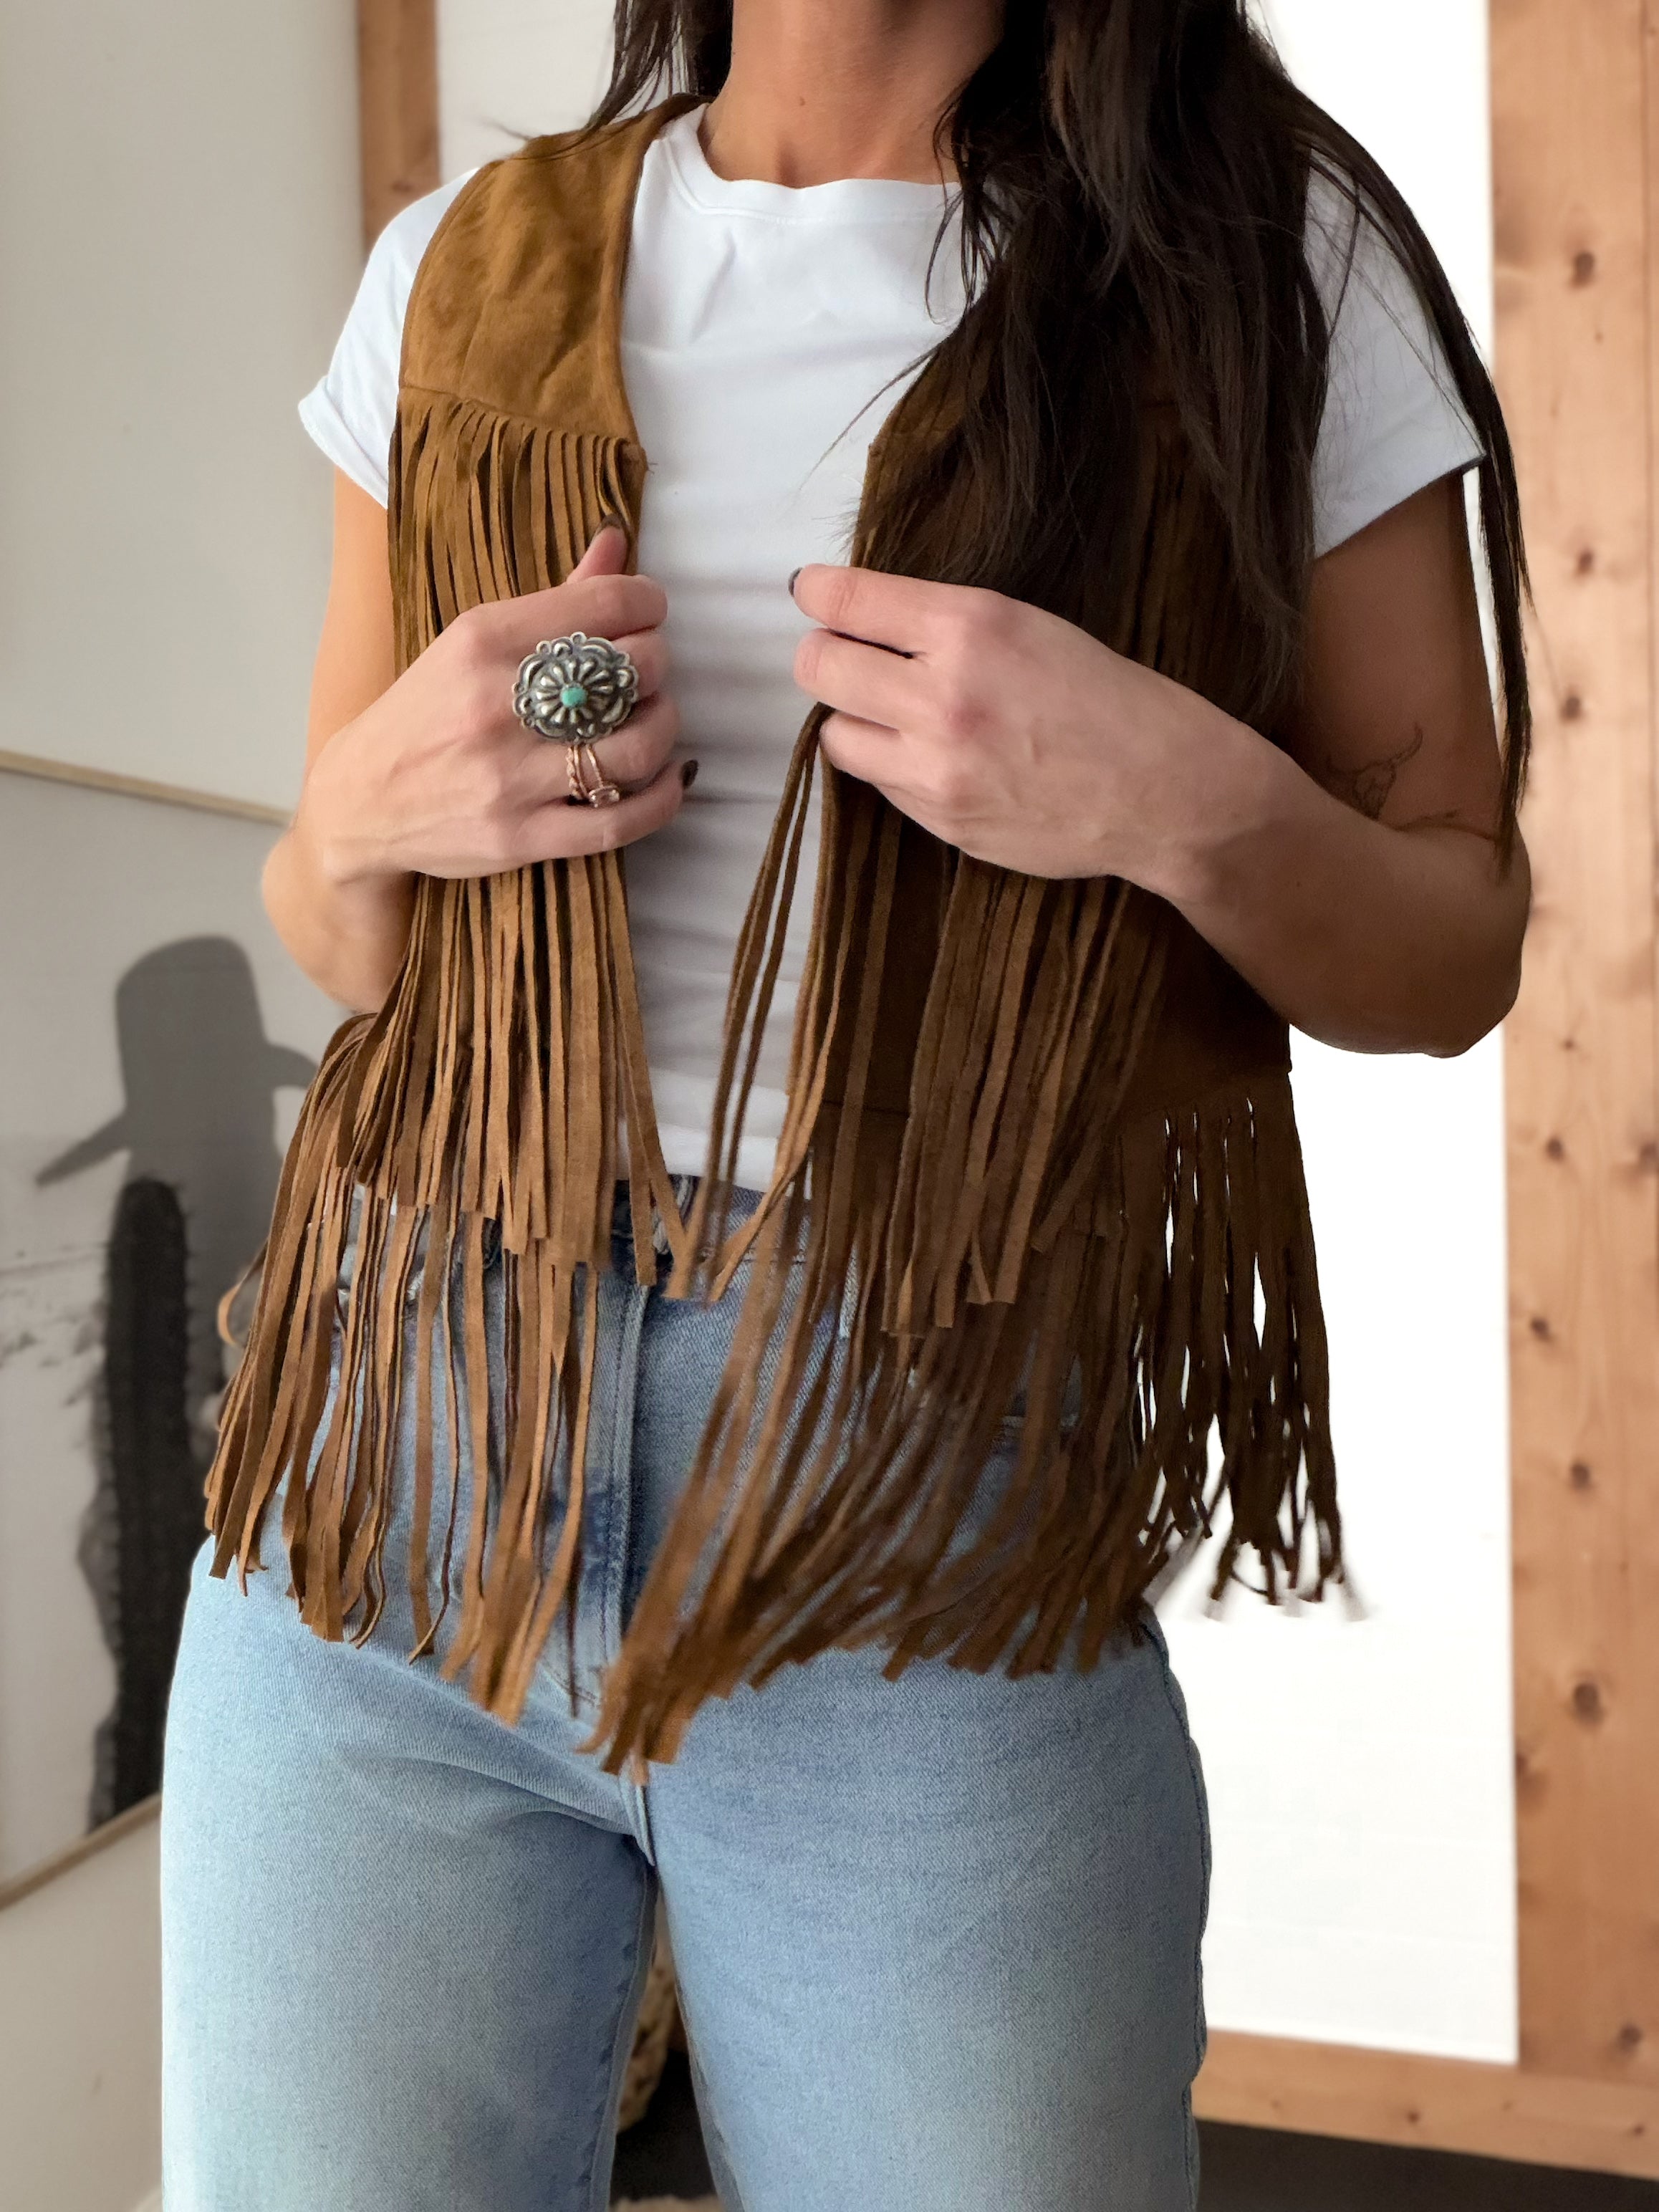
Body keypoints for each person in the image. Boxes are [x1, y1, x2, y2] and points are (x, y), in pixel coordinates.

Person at [160, 4, 1529, 2207]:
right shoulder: (461, 265)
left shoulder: (1257, 261)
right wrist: (358, 818)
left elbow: (1452, 941)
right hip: (392, 1459)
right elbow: (341, 926)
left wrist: (1186, 802)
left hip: (914, 1478)